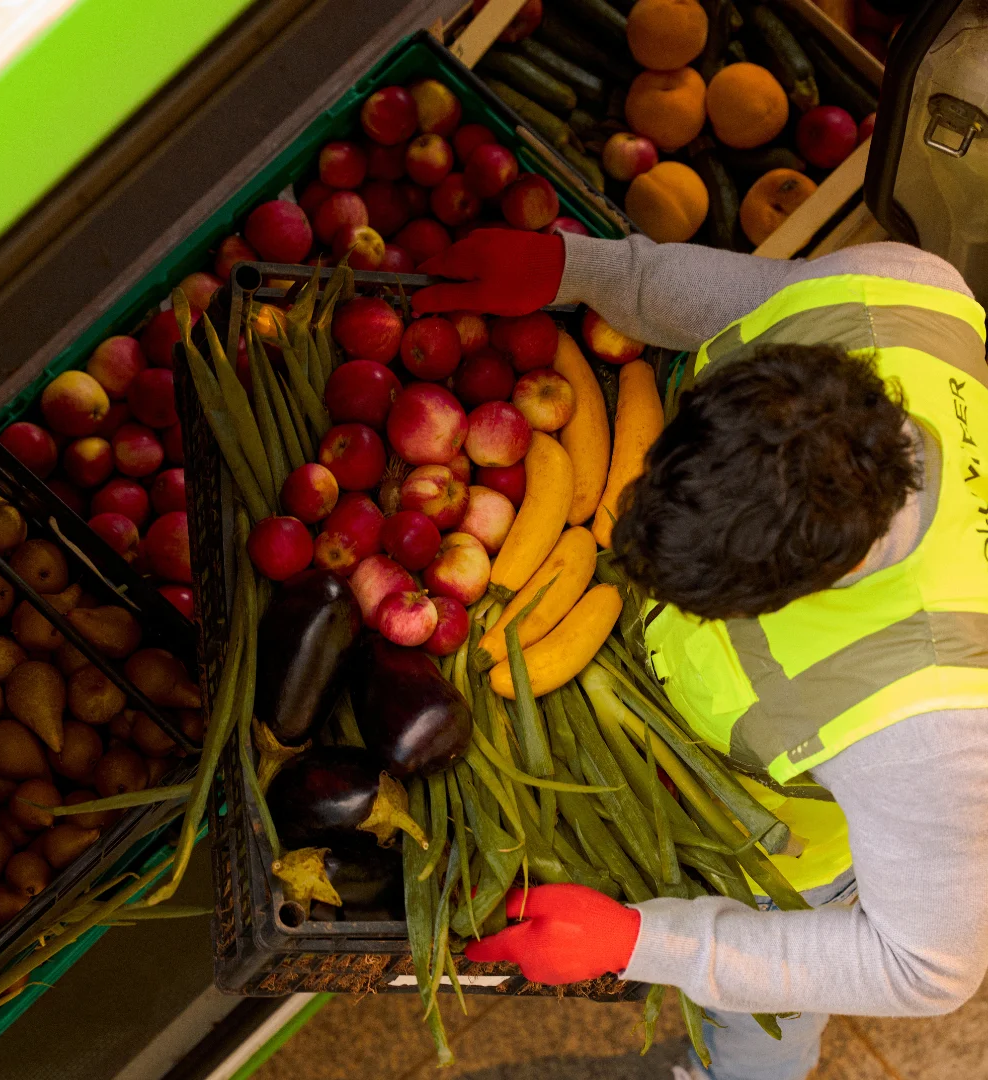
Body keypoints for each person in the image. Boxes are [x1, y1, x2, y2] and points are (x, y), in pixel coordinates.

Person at [410, 227, 988, 1080]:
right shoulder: (896, 284)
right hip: (703, 735)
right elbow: (749, 296)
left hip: (790, 850)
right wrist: (587, 269)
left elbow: (925, 969)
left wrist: (643, 940)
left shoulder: (935, 739)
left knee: (765, 1029)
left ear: (822, 578)